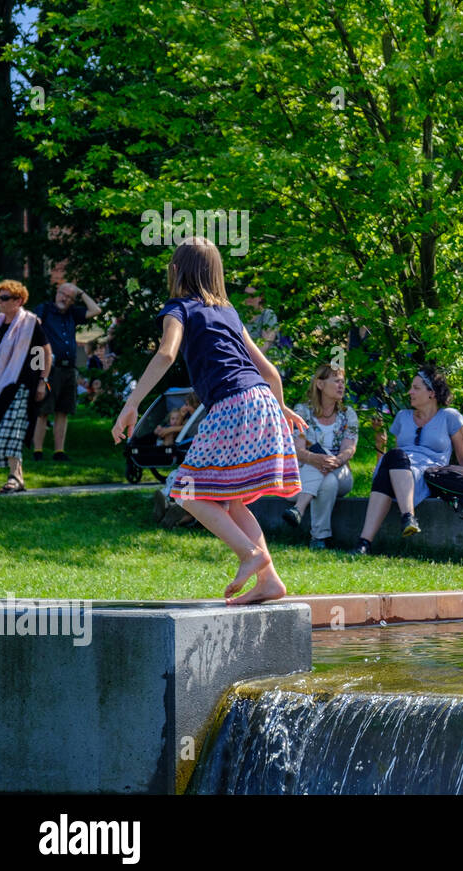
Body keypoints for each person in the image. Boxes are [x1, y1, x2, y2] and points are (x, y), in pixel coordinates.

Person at [113, 237, 306, 604]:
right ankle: (270, 581)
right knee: (232, 500)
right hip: (261, 401)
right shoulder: (228, 311)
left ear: (175, 271)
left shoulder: (177, 309)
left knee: (184, 489)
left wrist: (132, 402)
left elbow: (167, 353)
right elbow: (271, 373)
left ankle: (250, 554)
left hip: (232, 405)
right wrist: (280, 410)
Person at [350, 366, 463, 556]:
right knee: (394, 456)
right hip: (397, 475)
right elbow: (388, 463)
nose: (410, 392)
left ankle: (368, 540)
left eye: (416, 388)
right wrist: (380, 441)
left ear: (432, 393)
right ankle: (391, 528)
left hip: (426, 476)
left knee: (395, 455)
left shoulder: (450, 417)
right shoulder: (402, 417)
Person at [285, 364, 359, 550]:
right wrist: (315, 460)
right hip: (304, 473)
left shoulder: (347, 414)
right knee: (327, 482)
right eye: (336, 381)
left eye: (343, 381)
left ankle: (299, 509)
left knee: (328, 472)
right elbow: (296, 450)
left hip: (341, 472)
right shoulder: (302, 412)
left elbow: (349, 449)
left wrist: (336, 461)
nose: (341, 385)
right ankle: (319, 538)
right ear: (320, 384)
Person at [0, 280, 51, 493]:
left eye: (6, 298)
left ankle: (14, 477)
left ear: (19, 300)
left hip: (23, 384)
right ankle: (18, 478)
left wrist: (42, 380)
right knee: (0, 429)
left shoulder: (30, 323)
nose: (1, 302)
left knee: (12, 430)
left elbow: (43, 352)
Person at [30, 282, 101, 462]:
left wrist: (81, 292)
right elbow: (33, 329)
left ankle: (58, 451)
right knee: (43, 411)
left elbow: (96, 310)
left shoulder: (72, 313)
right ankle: (37, 451)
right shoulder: (44, 309)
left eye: (69, 297)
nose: (64, 299)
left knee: (63, 410)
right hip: (48, 368)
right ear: (57, 293)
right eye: (63, 294)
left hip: (68, 368)